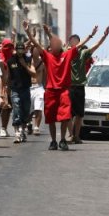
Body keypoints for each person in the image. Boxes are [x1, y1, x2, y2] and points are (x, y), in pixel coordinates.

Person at [23, 20, 97, 151]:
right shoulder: (47, 56)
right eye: (53, 44)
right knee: (51, 118)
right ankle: (53, 141)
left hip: (63, 91)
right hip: (51, 91)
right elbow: (36, 44)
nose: (55, 46)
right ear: (51, 47)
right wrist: (28, 31)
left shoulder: (67, 55)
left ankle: (62, 139)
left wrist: (90, 36)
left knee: (64, 117)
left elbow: (79, 45)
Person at [67, 26, 109, 143]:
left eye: (76, 41)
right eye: (72, 42)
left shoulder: (83, 53)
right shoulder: (66, 53)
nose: (74, 44)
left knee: (79, 114)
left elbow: (96, 46)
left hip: (80, 87)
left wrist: (104, 36)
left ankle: (76, 136)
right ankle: (70, 134)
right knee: (68, 114)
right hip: (69, 87)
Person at [6, 42, 36, 143]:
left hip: (26, 89)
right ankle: (17, 133)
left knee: (25, 111)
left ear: (24, 50)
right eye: (18, 49)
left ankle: (23, 130)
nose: (19, 51)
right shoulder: (11, 60)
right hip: (15, 89)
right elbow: (9, 77)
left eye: (21, 49)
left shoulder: (28, 59)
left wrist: (25, 65)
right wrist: (6, 92)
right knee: (16, 109)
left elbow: (34, 74)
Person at [0, 39, 14, 138]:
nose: (9, 49)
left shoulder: (14, 57)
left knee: (9, 108)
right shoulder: (0, 59)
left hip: (13, 86)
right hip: (2, 86)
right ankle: (2, 128)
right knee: (4, 108)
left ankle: (5, 127)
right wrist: (3, 91)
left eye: (11, 47)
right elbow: (1, 76)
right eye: (7, 47)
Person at [29, 45, 46, 136]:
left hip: (39, 87)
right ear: (31, 52)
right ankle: (28, 124)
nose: (36, 52)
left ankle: (36, 127)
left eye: (37, 51)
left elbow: (45, 76)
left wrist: (46, 88)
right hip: (29, 87)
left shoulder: (42, 63)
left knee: (38, 108)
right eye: (34, 51)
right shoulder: (27, 62)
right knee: (29, 110)